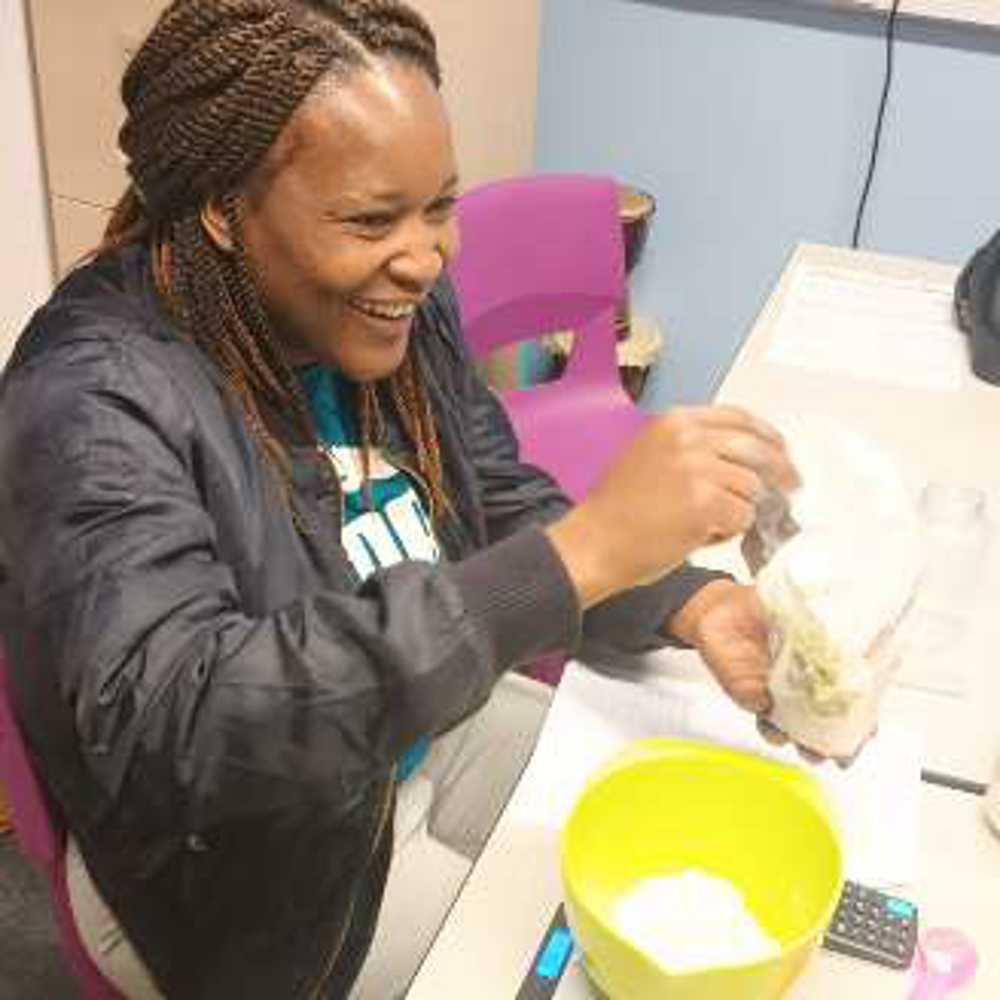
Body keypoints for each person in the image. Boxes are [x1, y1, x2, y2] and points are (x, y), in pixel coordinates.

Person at [0, 2, 799, 997]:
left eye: (439, 207)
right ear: (221, 207)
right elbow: (182, 733)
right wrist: (580, 555)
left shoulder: (389, 305)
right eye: (372, 219)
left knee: (693, 822)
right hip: (244, 879)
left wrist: (678, 594)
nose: (427, 255)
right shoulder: (93, 400)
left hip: (409, 744)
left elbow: (494, 494)